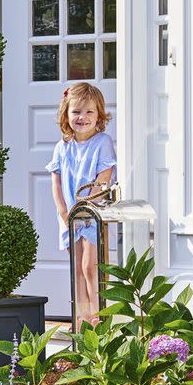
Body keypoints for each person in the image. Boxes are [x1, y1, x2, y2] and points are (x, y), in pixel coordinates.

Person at [47, 82, 116, 329]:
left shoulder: (102, 142)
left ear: (99, 115)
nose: (82, 117)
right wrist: (64, 211)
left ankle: (97, 314)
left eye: (89, 112)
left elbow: (104, 177)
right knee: (76, 267)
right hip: (69, 216)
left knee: (90, 265)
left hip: (91, 213)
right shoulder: (63, 146)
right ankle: (81, 316)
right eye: (76, 112)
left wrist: (85, 205)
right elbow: (56, 180)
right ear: (66, 114)